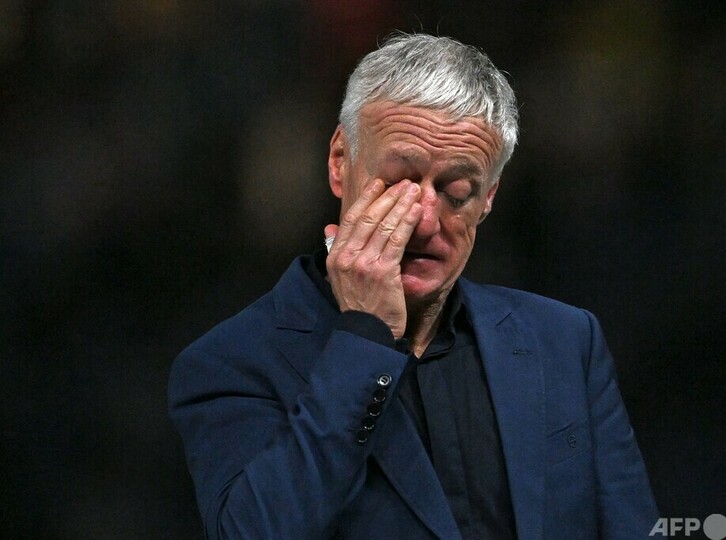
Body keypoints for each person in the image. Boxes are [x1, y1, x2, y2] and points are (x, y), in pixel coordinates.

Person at [169, 33, 658, 539]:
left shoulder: (565, 342)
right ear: (339, 161)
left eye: (457, 192)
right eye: (399, 182)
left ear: (489, 197)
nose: (424, 220)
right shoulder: (230, 362)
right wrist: (364, 337)